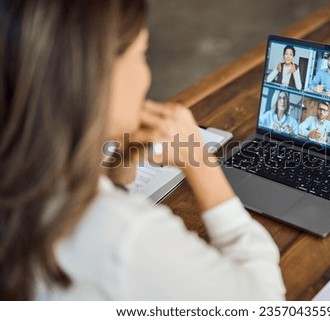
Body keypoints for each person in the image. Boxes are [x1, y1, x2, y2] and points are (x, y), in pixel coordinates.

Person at [0, 0, 285, 300]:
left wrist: (119, 168)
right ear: (96, 75)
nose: (147, 75)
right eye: (141, 54)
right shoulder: (127, 237)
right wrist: (201, 164)